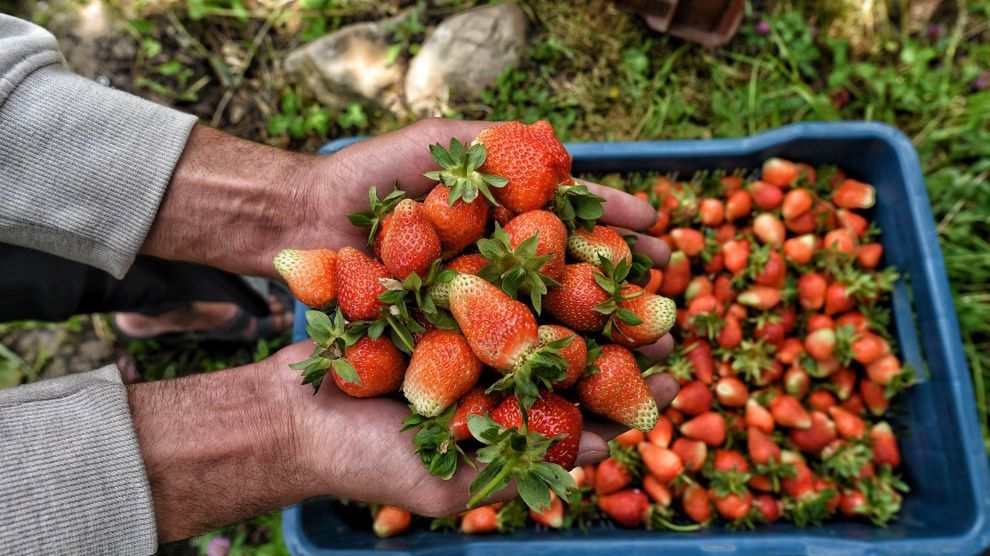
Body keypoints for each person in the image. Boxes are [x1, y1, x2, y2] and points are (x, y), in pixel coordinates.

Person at [0, 13, 679, 554]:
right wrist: (287, 435)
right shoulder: (488, 304)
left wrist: (294, 207)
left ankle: (169, 301)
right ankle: (188, 302)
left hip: (470, 310)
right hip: (468, 316)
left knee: (42, 265)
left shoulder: (491, 285)